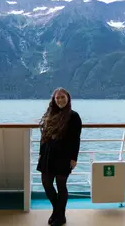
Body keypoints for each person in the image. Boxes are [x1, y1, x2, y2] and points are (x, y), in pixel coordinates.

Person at [36, 88, 82, 226]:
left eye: (62, 97)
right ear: (54, 100)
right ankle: (58, 212)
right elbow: (44, 136)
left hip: (64, 155)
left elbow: (76, 139)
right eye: (57, 98)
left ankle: (59, 216)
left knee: (61, 185)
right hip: (48, 154)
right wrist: (40, 153)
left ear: (68, 98)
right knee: (46, 183)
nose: (60, 100)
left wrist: (74, 158)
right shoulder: (50, 114)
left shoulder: (73, 116)